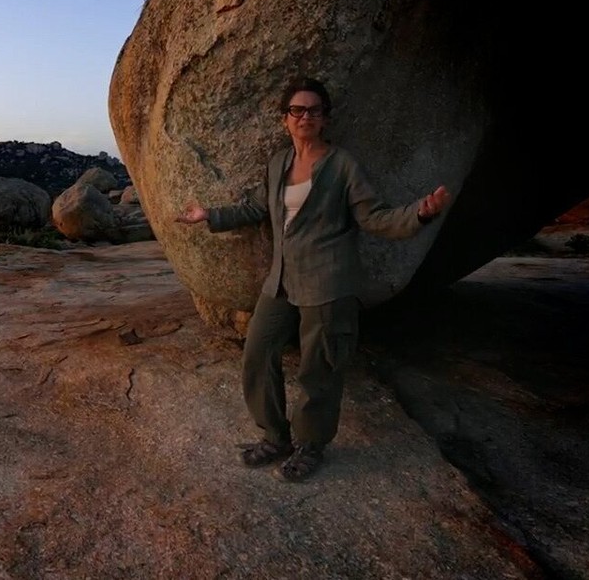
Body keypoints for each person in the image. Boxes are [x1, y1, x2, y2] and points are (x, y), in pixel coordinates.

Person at [175, 77, 450, 482]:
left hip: (328, 283)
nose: (305, 117)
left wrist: (421, 214)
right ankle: (275, 436)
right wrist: (209, 216)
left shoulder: (342, 166)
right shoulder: (278, 164)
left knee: (318, 369)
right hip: (281, 280)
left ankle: (310, 445)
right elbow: (257, 208)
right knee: (257, 352)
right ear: (285, 119)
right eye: (297, 110)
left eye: (314, 111)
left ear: (324, 119)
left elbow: (374, 217)